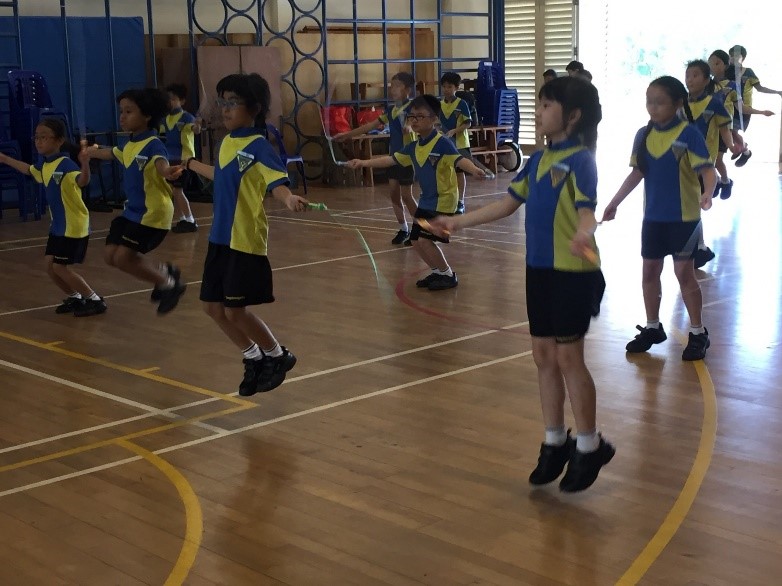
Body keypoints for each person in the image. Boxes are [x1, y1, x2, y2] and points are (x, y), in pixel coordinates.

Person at [429, 77, 614, 492]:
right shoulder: (536, 161)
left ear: (573, 115)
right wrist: (456, 222)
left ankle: (590, 444)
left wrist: (587, 233)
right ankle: (555, 440)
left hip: (572, 273)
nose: (539, 112)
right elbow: (506, 204)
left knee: (569, 359)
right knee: (543, 355)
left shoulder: (582, 160)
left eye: (547, 106)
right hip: (539, 271)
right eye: (540, 105)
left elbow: (588, 212)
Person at [185, 73, 309, 396]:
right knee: (212, 308)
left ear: (253, 108)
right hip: (219, 239)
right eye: (222, 102)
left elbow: (275, 183)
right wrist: (190, 165)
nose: (225, 110)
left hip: (244, 239)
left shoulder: (259, 146)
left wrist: (289, 198)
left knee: (234, 310)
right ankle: (253, 356)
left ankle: (277, 354)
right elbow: (222, 175)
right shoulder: (227, 142)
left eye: (233, 103)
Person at [602, 76, 716, 362]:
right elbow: (637, 173)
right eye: (648, 101)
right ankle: (653, 327)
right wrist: (614, 202)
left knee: (683, 274)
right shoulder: (642, 135)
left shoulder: (689, 135)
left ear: (678, 103)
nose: (652, 107)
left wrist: (708, 193)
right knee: (649, 273)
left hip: (684, 219)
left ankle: (698, 332)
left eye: (659, 102)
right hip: (652, 219)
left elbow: (707, 170)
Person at [346, 95, 487, 291]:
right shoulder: (412, 147)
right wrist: (363, 163)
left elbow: (458, 160)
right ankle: (438, 271)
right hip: (427, 202)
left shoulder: (442, 143)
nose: (414, 121)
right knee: (415, 239)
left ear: (434, 119)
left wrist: (474, 169)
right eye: (411, 116)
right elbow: (390, 160)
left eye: (420, 116)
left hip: (444, 202)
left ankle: (447, 274)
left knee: (424, 240)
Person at [86, 88, 186, 314]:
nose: (122, 116)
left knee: (123, 258)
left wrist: (169, 171)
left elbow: (162, 166)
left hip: (153, 214)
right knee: (110, 256)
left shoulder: (153, 144)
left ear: (147, 115)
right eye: (121, 111)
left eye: (129, 111)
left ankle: (170, 285)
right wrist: (90, 152)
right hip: (132, 212)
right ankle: (164, 272)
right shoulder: (129, 145)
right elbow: (111, 153)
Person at [0, 118, 106, 317]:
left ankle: (94, 299)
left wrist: (85, 165)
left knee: (60, 266)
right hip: (58, 226)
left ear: (58, 141)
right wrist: (5, 159)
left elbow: (82, 181)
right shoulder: (46, 165)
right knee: (50, 267)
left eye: (44, 137)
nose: (39, 141)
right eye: (37, 137)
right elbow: (29, 170)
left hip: (73, 225)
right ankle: (76, 297)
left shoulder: (65, 164)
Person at [335, 72, 418, 245]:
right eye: (392, 85)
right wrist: (348, 135)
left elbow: (412, 122)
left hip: (407, 158)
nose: (392, 89)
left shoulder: (412, 107)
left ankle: (420, 229)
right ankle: (404, 229)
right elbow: (370, 125)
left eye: (397, 86)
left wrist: (409, 127)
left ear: (408, 90)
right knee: (394, 195)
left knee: (407, 196)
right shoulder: (391, 110)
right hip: (393, 157)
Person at [685, 59, 741, 268]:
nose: (690, 79)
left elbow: (725, 129)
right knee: (690, 205)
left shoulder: (714, 104)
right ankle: (698, 248)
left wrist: (733, 145)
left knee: (695, 205)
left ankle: (699, 248)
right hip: (684, 163)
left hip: (704, 163)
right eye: (688, 75)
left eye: (695, 75)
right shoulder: (681, 103)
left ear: (706, 79)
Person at [725, 45, 780, 166]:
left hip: (744, 109)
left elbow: (760, 88)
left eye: (737, 56)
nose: (733, 58)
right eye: (731, 56)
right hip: (729, 107)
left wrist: (777, 92)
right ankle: (743, 149)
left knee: (732, 131)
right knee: (728, 131)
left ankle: (743, 149)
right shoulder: (726, 72)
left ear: (743, 58)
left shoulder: (748, 72)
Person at [161, 83, 201, 233]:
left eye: (173, 99)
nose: (170, 102)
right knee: (174, 191)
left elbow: (195, 130)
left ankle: (191, 220)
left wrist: (197, 125)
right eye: (168, 99)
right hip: (169, 158)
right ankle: (183, 219)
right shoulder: (165, 119)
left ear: (182, 101)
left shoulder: (186, 117)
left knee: (178, 191)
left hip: (184, 159)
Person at [439, 71, 473, 213]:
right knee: (446, 173)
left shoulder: (462, 104)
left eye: (450, 87)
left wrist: (454, 131)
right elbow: (437, 123)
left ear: (456, 88)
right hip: (445, 144)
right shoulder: (439, 105)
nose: (446, 89)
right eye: (444, 86)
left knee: (459, 173)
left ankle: (461, 201)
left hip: (460, 144)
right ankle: (448, 199)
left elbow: (468, 123)